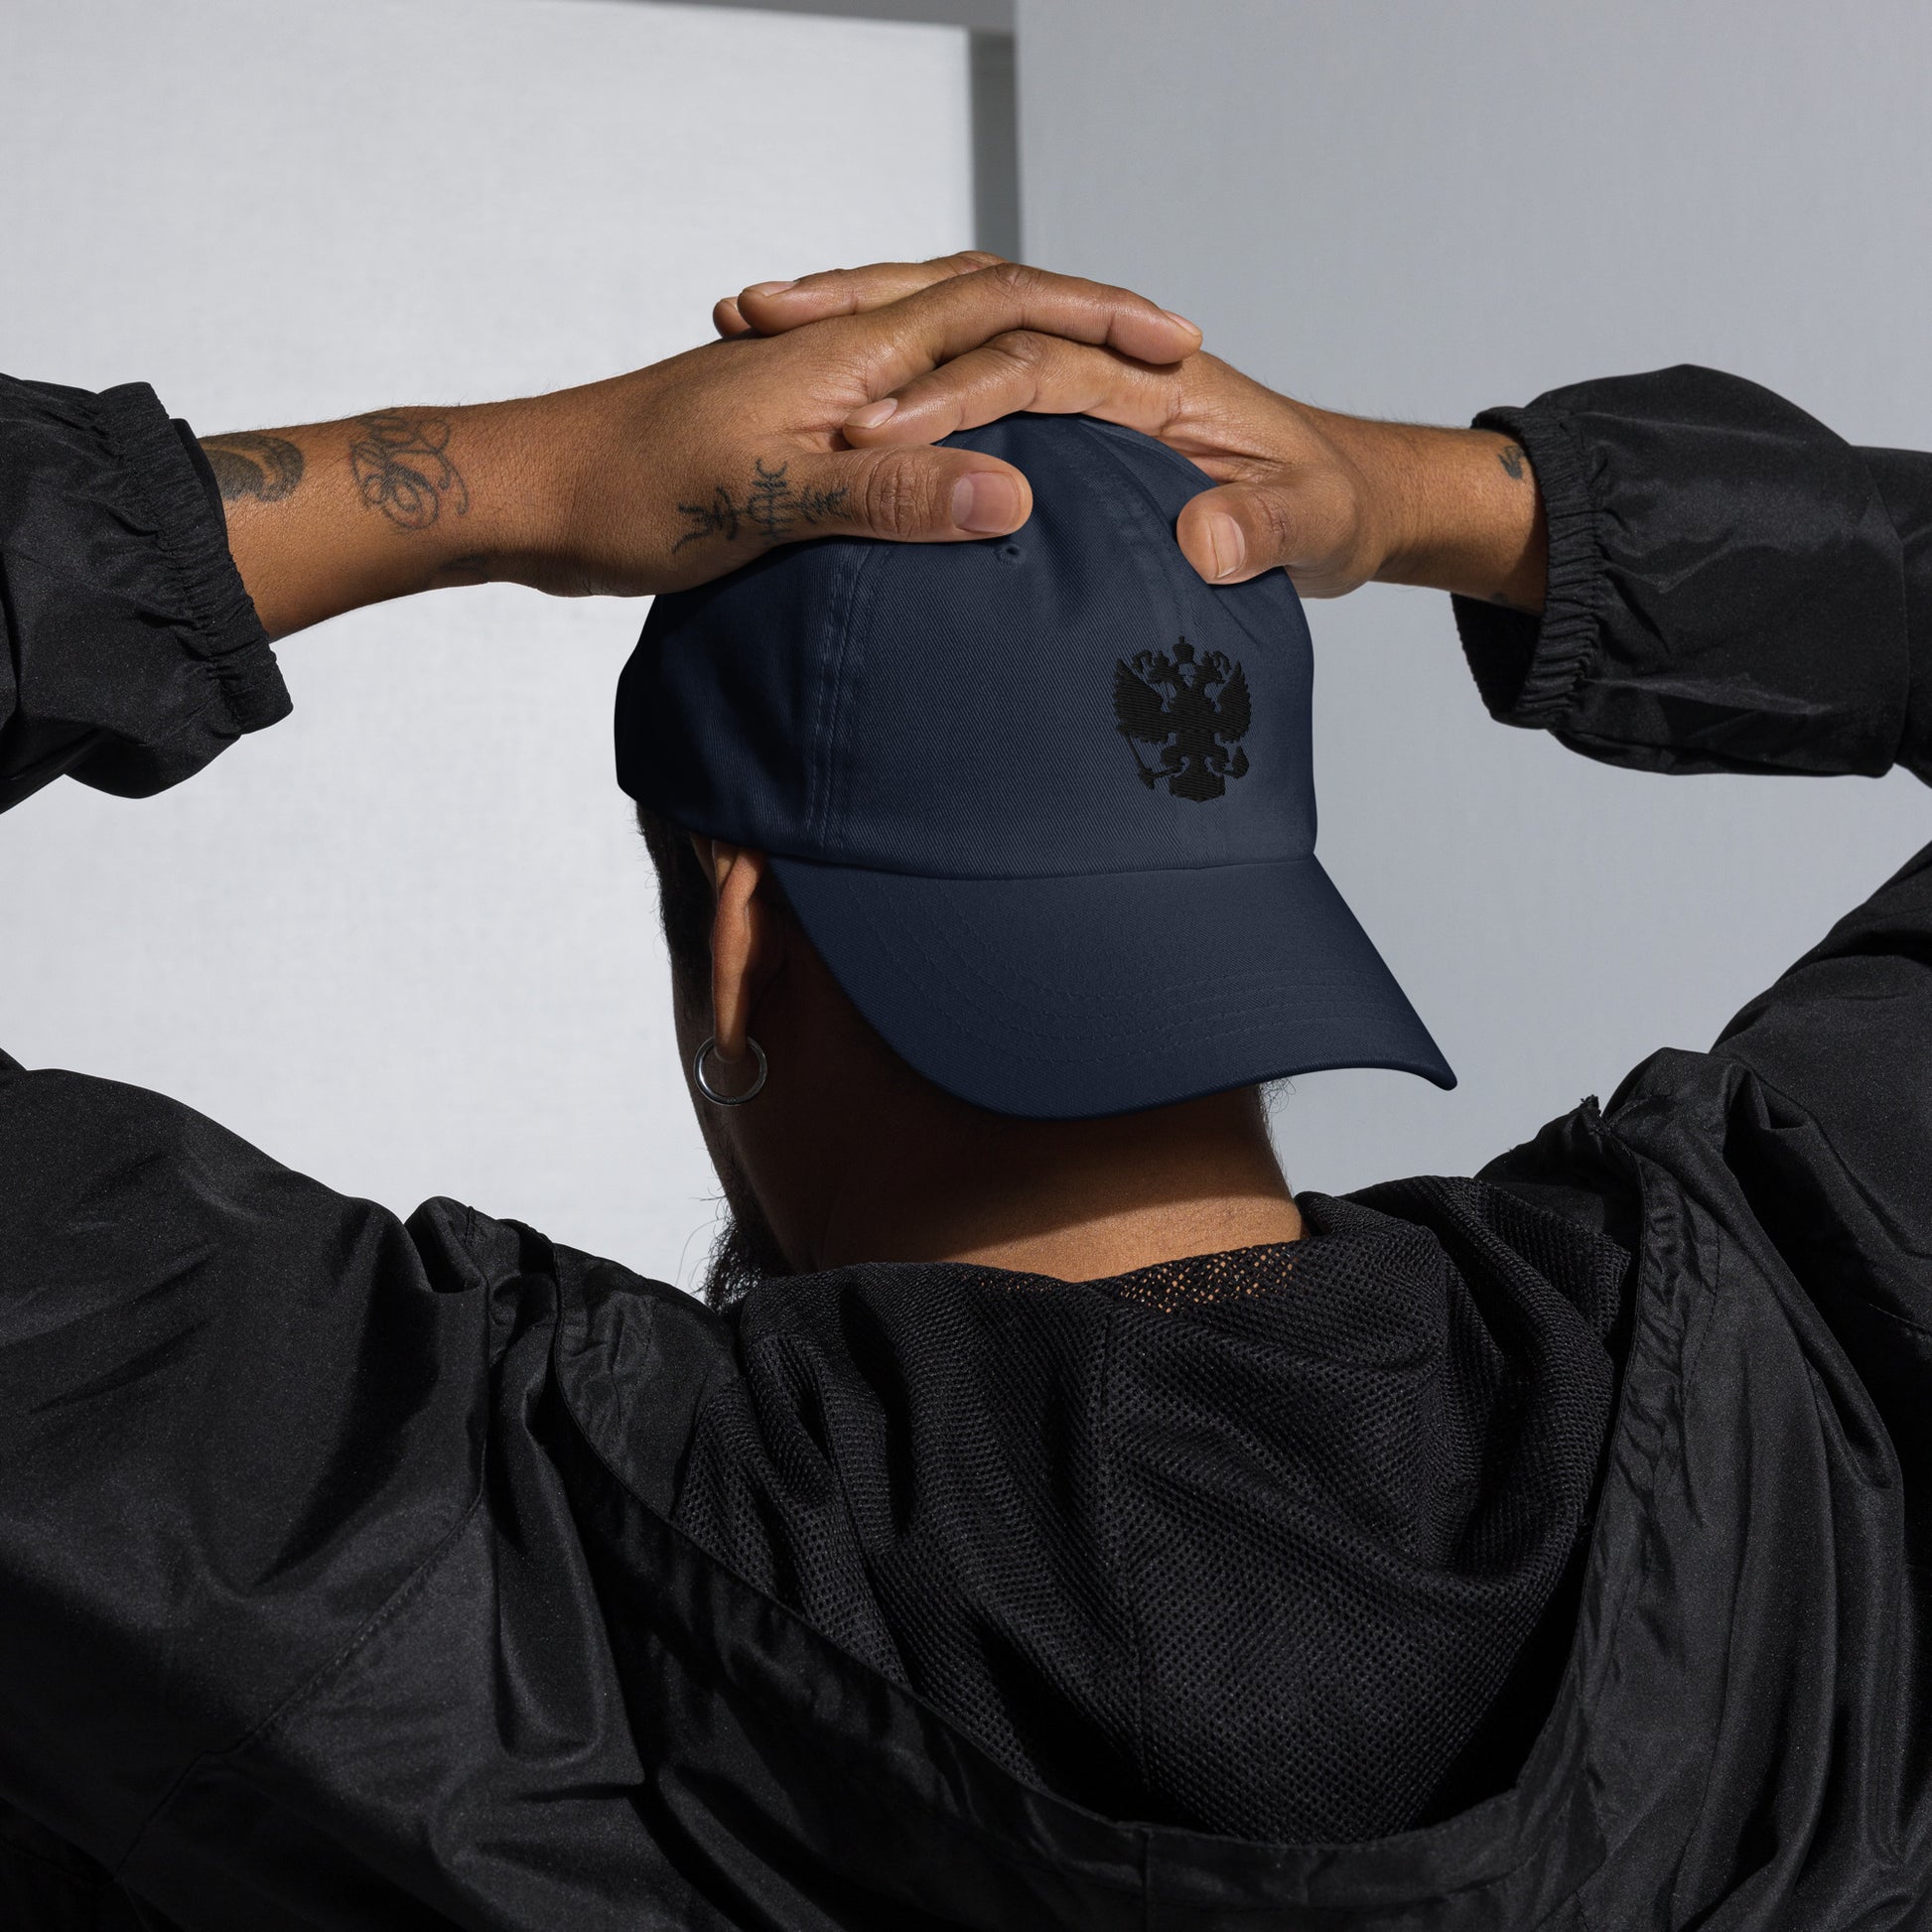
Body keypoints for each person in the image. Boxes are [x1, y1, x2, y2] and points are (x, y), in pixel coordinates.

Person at [0, 252, 1924, 1929]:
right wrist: (1441, 500)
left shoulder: (390, 1528)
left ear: (736, 932)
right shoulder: (1810, 1363)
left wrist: (484, 483)